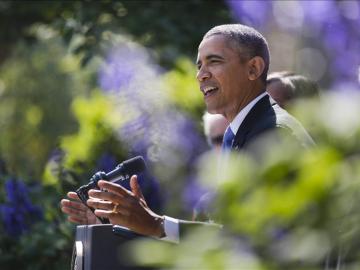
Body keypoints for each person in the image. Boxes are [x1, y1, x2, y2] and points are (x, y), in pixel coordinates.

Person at [61, 24, 314, 242]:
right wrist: (121, 226)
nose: (201, 75)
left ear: (253, 68)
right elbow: (215, 239)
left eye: (214, 61)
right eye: (199, 65)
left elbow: (249, 242)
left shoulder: (274, 134)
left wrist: (156, 224)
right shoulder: (241, 133)